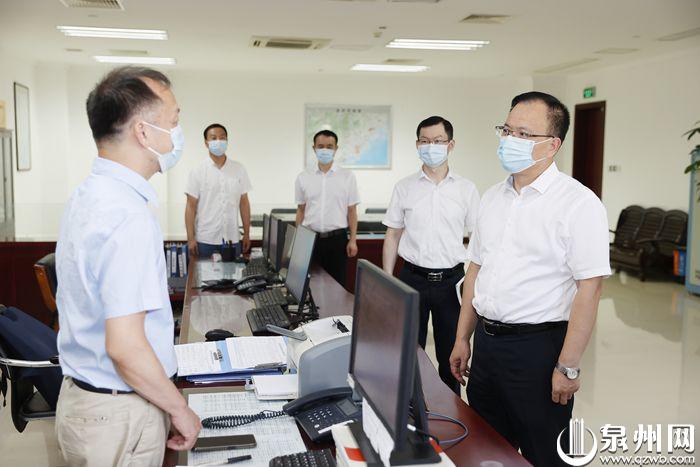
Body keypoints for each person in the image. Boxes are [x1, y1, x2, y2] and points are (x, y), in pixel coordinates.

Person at [449, 92, 610, 466]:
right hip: (487, 346)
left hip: (538, 351)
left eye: (523, 134)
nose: (510, 140)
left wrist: (568, 366)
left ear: (552, 145)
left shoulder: (578, 203)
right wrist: (462, 338)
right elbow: (476, 270)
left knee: (545, 454)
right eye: (506, 130)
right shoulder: (492, 197)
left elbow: (590, 288)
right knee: (487, 451)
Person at [54, 66, 201, 466]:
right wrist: (180, 409)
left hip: (91, 403)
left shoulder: (90, 194)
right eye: (174, 120)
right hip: (119, 413)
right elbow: (125, 347)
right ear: (143, 133)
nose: (177, 132)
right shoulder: (125, 215)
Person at [382, 116, 480, 395]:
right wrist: (387, 280)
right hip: (412, 279)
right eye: (425, 141)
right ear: (417, 145)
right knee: (408, 352)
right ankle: (410, 408)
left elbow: (478, 239)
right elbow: (392, 235)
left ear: (451, 145)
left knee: (452, 355)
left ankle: (452, 410)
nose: (431, 147)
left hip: (452, 282)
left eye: (438, 141)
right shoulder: (405, 187)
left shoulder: (466, 189)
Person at [295, 130, 360, 287]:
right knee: (311, 286)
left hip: (337, 241)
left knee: (337, 287)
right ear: (314, 148)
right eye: (321, 146)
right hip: (311, 240)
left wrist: (353, 240)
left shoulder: (347, 176)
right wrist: (298, 240)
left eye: (329, 146)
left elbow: (352, 211)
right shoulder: (303, 177)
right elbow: (301, 210)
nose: (325, 150)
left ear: (336, 149)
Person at [185, 123, 252, 258]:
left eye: (222, 138)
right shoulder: (197, 171)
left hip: (232, 239)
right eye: (214, 138)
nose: (218, 141)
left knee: (234, 272)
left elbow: (244, 203)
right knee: (203, 272)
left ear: (227, 140)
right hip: (205, 241)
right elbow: (191, 207)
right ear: (206, 143)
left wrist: (247, 233)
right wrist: (190, 238)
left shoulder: (239, 169)